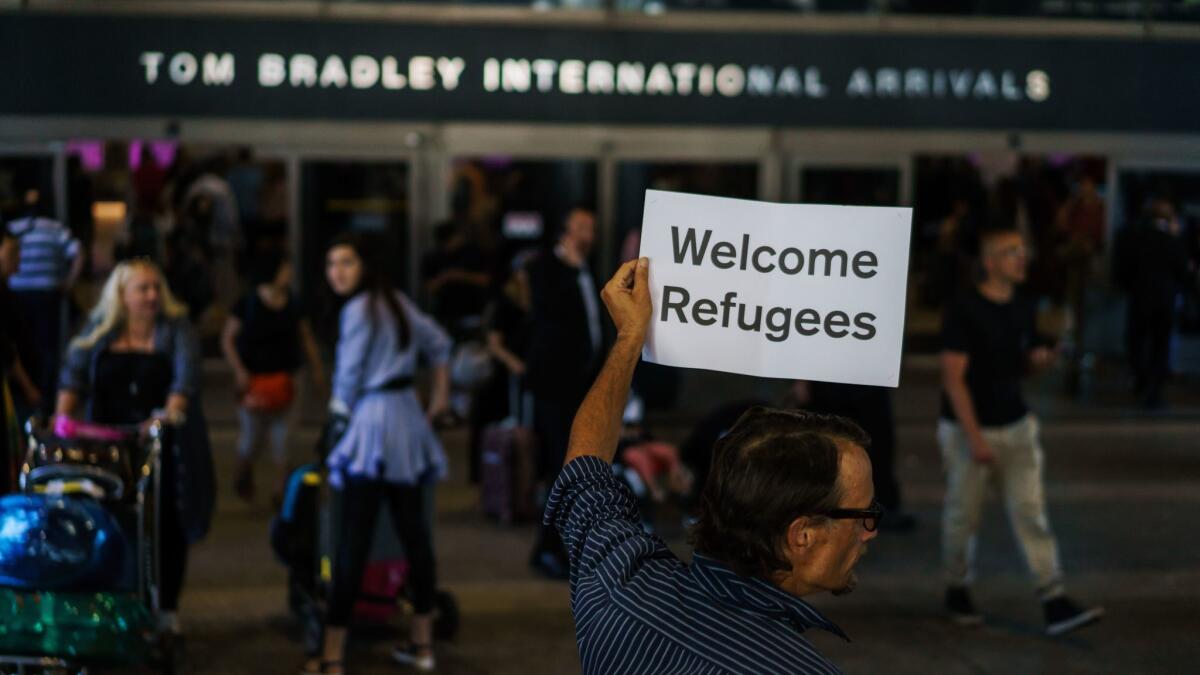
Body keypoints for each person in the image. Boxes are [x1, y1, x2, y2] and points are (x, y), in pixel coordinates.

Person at [546, 257, 879, 675]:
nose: (871, 531)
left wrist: (630, 337)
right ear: (802, 535)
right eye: (864, 514)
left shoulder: (622, 587)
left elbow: (584, 463)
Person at [939, 227, 1103, 636]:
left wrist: (1039, 361)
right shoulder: (964, 309)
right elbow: (953, 379)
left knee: (1031, 513)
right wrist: (974, 438)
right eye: (1011, 252)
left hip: (1017, 424)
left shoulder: (1023, 306)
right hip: (969, 429)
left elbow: (1018, 367)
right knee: (964, 516)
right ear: (989, 262)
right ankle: (956, 587)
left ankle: (1053, 598)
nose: (1021, 257)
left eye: (1022, 250)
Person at [303, 234, 451, 675]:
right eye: (332, 263)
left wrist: (333, 430)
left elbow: (346, 380)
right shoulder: (396, 302)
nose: (337, 272)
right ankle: (422, 645)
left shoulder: (358, 310)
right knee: (415, 540)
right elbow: (440, 343)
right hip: (406, 422)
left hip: (370, 424)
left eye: (346, 262)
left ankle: (332, 656)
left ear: (364, 265)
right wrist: (439, 398)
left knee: (351, 542)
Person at [55, 259, 216, 645]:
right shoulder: (100, 332)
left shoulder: (177, 331)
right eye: (142, 289)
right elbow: (73, 378)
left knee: (165, 523)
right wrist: (62, 423)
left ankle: (167, 608)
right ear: (122, 295)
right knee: (108, 522)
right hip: (106, 444)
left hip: (160, 444)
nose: (151, 296)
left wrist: (166, 415)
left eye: (156, 288)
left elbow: (184, 381)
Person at [524, 207, 603, 578]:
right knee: (562, 464)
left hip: (584, 383)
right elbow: (547, 314)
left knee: (577, 464)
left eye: (593, 228)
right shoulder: (546, 267)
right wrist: (571, 268)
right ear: (565, 231)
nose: (589, 234)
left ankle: (560, 544)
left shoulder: (590, 268)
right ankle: (549, 547)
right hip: (556, 384)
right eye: (583, 227)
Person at [221, 248, 323, 504]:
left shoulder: (293, 302)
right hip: (255, 380)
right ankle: (243, 472)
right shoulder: (247, 304)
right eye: (285, 267)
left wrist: (317, 368)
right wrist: (240, 371)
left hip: (288, 377)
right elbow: (228, 339)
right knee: (251, 438)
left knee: (284, 438)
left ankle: (281, 492)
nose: (289, 273)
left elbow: (306, 337)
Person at [5, 184, 83, 418]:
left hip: (18, 292)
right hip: (45, 294)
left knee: (26, 347)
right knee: (46, 349)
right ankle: (44, 401)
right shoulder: (55, 227)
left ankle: (37, 400)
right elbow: (78, 251)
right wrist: (68, 282)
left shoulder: (13, 228)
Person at [1113, 199, 1194, 409]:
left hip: (1140, 298)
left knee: (1137, 340)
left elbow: (1122, 270)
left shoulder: (1135, 238)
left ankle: (1142, 380)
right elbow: (1184, 273)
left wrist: (1131, 287)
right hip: (1164, 300)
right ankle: (1154, 388)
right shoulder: (1172, 241)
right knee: (1160, 343)